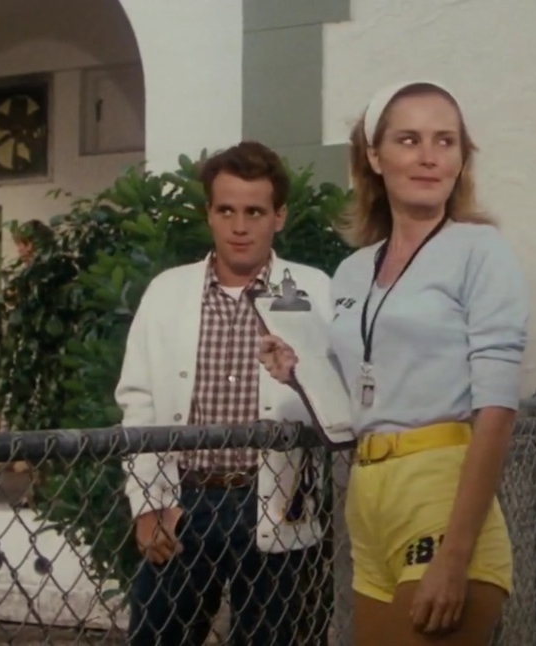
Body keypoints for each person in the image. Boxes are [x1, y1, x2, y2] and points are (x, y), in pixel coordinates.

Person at [260, 80, 530, 645]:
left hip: (440, 486)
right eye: (409, 140)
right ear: (375, 157)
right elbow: (360, 394)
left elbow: (497, 411)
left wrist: (454, 556)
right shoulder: (353, 270)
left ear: (461, 158)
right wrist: (299, 371)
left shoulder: (480, 250)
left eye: (445, 141)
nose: (429, 156)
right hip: (367, 497)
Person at [117, 141, 332, 646]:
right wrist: (146, 504)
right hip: (183, 502)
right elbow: (138, 401)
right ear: (208, 214)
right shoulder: (167, 292)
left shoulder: (313, 290)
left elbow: (335, 399)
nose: (239, 226)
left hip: (277, 503)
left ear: (279, 216)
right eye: (226, 210)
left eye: (254, 212)